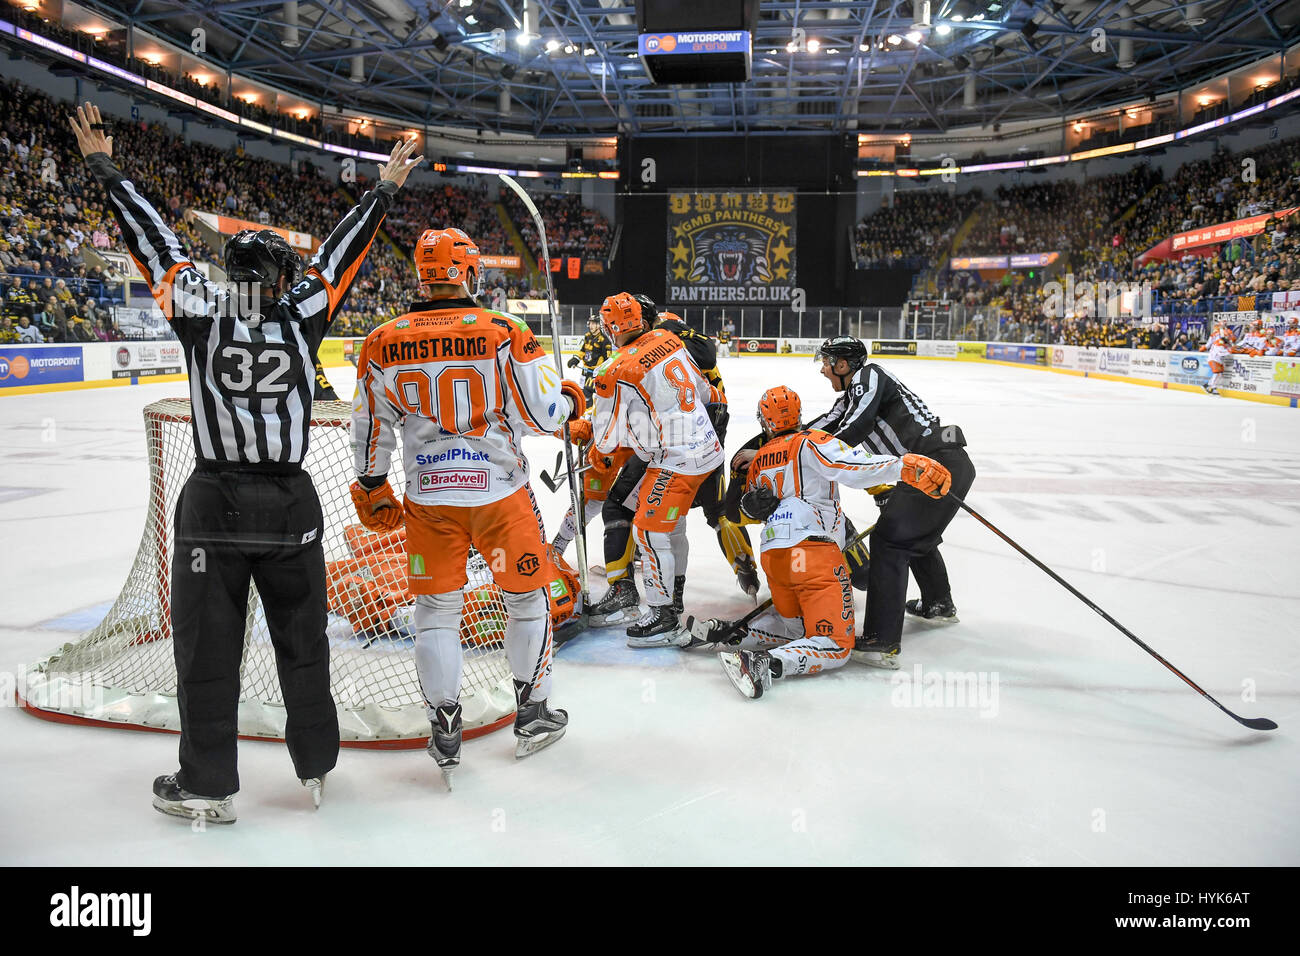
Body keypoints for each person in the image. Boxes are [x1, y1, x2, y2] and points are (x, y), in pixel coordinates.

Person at [69, 101, 423, 824]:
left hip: (215, 506)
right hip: (292, 504)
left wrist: (104, 165)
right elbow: (340, 256)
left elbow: (154, 242)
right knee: (304, 643)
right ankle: (317, 768)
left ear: (229, 271)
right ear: (284, 274)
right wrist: (383, 188)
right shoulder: (302, 313)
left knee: (207, 654)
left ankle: (209, 785)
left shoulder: (199, 308)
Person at [350, 227, 584, 786]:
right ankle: (531, 713)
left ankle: (444, 726)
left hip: (429, 498)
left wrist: (371, 482)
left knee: (436, 613)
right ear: (470, 272)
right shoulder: (504, 330)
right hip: (499, 494)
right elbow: (543, 413)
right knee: (525, 600)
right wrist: (571, 397)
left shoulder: (382, 339)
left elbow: (370, 426)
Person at [698, 386, 949, 698]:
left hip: (774, 556)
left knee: (796, 631)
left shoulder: (759, 458)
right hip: (812, 552)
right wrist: (903, 467)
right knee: (835, 645)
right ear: (800, 415)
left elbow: (738, 512)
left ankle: (729, 631)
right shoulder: (811, 441)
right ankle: (763, 663)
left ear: (764, 421)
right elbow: (853, 466)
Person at [801, 336, 975, 667]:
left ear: (843, 365)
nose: (823, 370)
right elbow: (820, 428)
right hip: (938, 465)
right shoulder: (851, 398)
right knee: (911, 537)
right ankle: (938, 605)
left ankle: (881, 641)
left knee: (889, 541)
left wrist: (820, 458)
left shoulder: (869, 376)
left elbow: (856, 426)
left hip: (935, 465)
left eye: (827, 363)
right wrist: (782, 445)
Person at [587, 291, 724, 646]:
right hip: (707, 447)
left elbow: (604, 440)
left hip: (676, 458)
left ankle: (663, 616)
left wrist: (587, 437)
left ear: (609, 327)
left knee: (647, 529)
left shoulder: (613, 369)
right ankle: (673, 600)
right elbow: (704, 390)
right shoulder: (668, 337)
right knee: (672, 525)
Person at [566, 313, 610, 405]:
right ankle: (586, 414)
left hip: (594, 373)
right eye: (590, 323)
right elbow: (583, 351)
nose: (591, 326)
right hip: (585, 371)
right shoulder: (587, 336)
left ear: (599, 325)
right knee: (583, 393)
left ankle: (590, 415)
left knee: (587, 393)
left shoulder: (604, 339)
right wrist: (576, 359)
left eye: (593, 323)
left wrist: (602, 373)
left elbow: (608, 359)